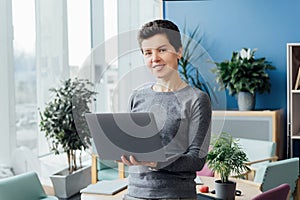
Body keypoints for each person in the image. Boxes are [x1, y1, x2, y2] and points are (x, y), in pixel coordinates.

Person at [120, 19, 212, 200]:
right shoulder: (137, 96)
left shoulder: (196, 99)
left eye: (162, 50)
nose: (154, 58)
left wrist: (158, 161)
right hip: (134, 194)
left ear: (179, 51)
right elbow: (133, 146)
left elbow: (197, 159)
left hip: (174, 195)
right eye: (147, 52)